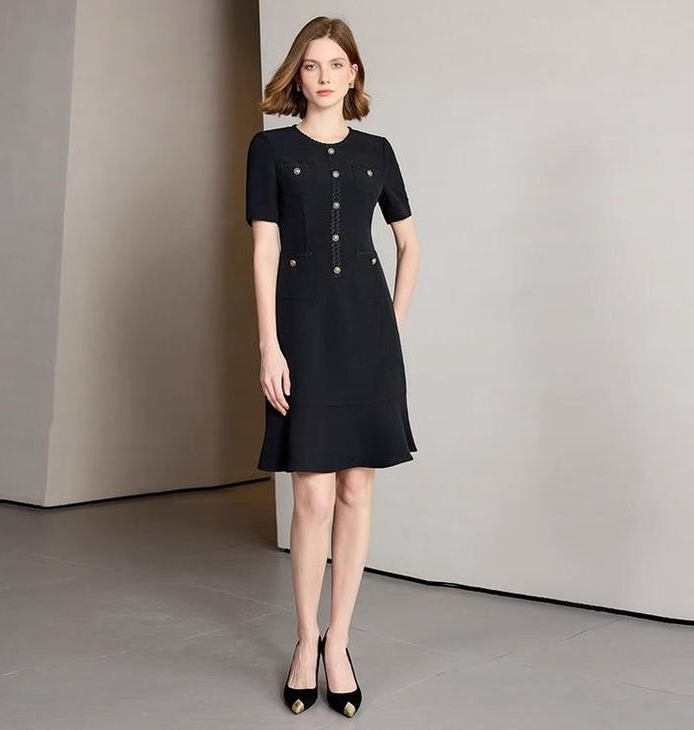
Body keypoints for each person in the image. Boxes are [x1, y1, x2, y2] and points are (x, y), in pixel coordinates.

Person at [244, 15, 421, 718]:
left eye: (335, 64)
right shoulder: (269, 150)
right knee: (312, 497)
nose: (323, 76)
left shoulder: (378, 150)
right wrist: (269, 344)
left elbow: (410, 246)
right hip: (303, 336)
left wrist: (390, 328)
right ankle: (303, 639)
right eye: (311, 65)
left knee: (356, 491)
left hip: (367, 338)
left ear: (354, 75)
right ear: (299, 74)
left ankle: (339, 643)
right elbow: (264, 250)